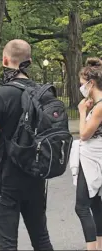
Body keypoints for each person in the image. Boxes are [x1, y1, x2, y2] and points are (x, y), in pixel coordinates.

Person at [0, 39, 53, 250]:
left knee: (7, 244)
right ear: (29, 61)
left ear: (5, 60)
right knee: (41, 238)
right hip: (36, 176)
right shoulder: (44, 94)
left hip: (6, 180)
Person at [75, 57, 102, 251]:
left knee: (81, 206)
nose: (81, 87)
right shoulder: (98, 103)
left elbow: (84, 134)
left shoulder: (99, 106)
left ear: (91, 83)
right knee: (94, 202)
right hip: (93, 155)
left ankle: (92, 247)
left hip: (92, 157)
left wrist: (82, 112)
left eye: (82, 83)